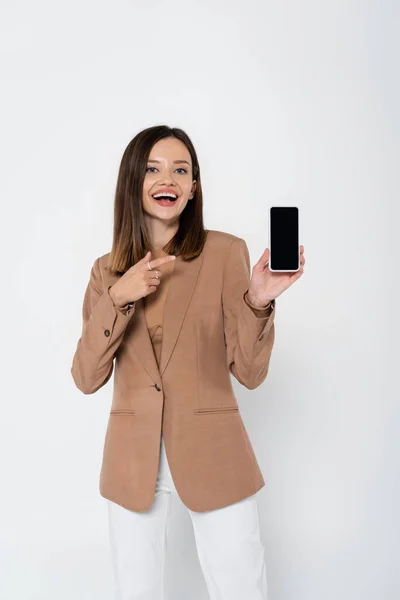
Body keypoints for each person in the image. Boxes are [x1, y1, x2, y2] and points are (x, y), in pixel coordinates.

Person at [71, 125, 305, 600]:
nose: (169, 180)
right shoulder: (106, 270)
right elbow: (86, 377)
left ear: (194, 186)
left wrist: (258, 303)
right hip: (132, 461)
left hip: (214, 451)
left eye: (182, 170)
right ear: (134, 180)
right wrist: (119, 297)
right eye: (154, 168)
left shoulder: (225, 253)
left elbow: (251, 374)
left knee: (241, 586)